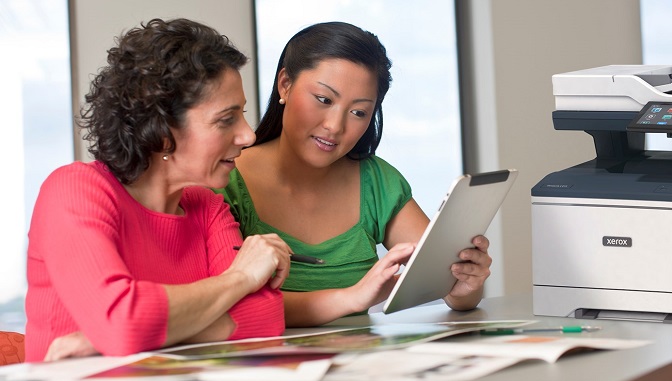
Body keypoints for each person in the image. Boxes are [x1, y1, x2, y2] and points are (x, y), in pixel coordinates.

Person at [25, 18, 292, 362]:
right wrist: (240, 277)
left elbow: (265, 316)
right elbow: (122, 323)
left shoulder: (208, 207)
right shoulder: (74, 191)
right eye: (226, 119)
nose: (248, 135)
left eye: (241, 115)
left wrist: (131, 336)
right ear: (162, 130)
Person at [218, 21, 492, 328]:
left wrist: (467, 286)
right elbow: (231, 305)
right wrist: (353, 296)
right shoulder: (224, 178)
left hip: (361, 366)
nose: (335, 126)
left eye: (359, 112)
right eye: (324, 100)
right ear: (285, 84)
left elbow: (451, 287)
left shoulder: (376, 181)